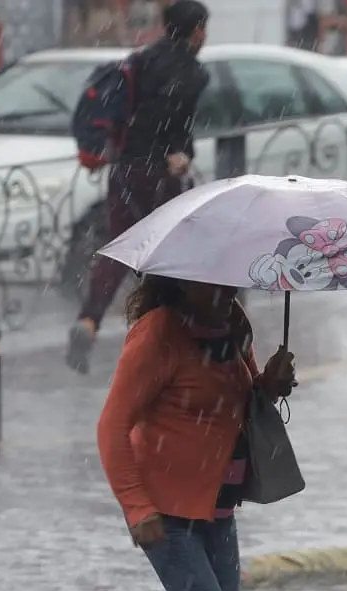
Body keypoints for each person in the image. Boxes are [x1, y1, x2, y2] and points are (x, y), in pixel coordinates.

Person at [72, 275, 298, 591]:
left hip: (216, 501)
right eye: (210, 284)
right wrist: (136, 506)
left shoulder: (232, 324)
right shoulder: (157, 334)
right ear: (179, 282)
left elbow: (237, 397)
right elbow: (112, 426)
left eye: (228, 284)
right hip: (164, 506)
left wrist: (268, 383)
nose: (223, 291)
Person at [66, 0, 211, 375]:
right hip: (161, 174)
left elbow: (136, 114)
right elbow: (173, 121)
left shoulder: (141, 60)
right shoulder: (192, 73)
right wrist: (176, 153)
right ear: (196, 30)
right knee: (172, 252)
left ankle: (88, 322)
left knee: (119, 250)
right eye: (203, 29)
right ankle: (167, 338)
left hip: (125, 170)